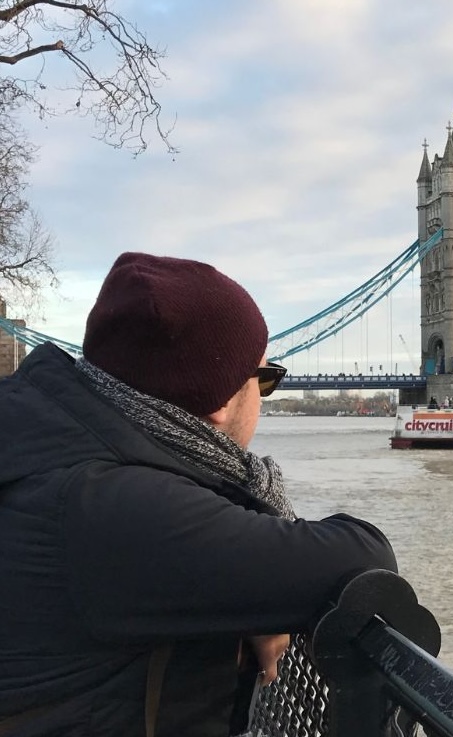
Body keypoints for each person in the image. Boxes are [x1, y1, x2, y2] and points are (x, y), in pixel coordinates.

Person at [0, 252, 398, 736]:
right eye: (264, 379)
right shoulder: (109, 504)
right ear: (220, 402)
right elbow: (364, 553)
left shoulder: (47, 446)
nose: (263, 398)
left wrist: (243, 591)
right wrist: (266, 591)